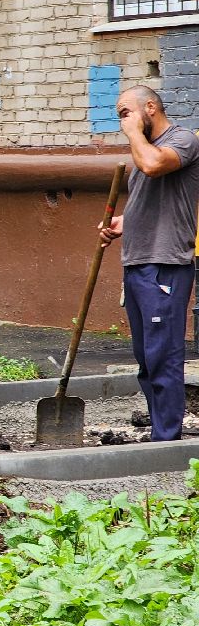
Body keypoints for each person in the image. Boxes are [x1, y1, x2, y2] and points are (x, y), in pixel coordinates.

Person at [99, 85, 199, 441]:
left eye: (126, 112)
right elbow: (154, 200)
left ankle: (166, 439)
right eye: (120, 116)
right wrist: (123, 223)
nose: (122, 120)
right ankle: (159, 430)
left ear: (151, 107)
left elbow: (154, 165)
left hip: (165, 264)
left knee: (163, 356)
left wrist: (133, 134)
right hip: (138, 263)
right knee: (146, 358)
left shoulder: (182, 140)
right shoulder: (144, 150)